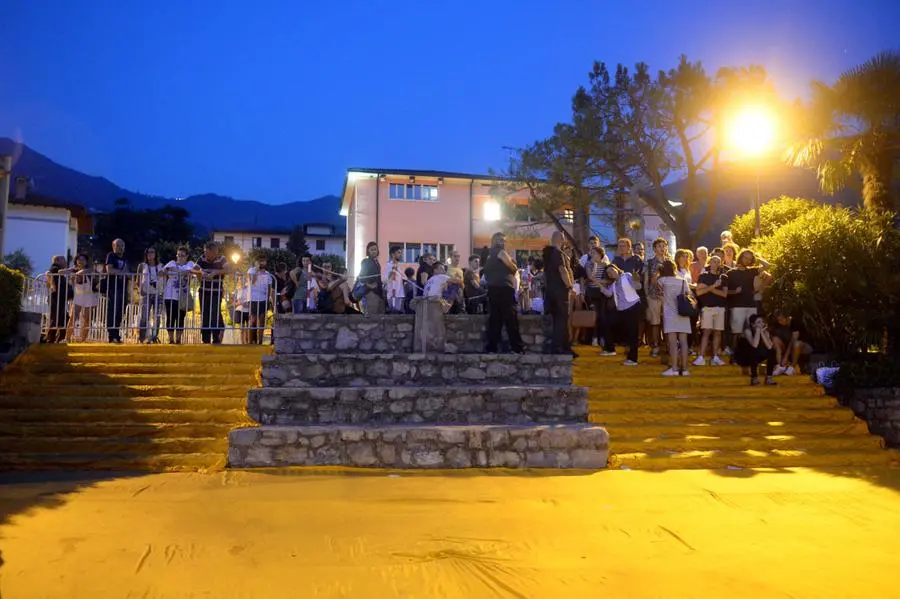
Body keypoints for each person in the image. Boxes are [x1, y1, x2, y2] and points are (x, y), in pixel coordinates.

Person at [484, 232, 525, 354]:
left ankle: (492, 348)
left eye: (503, 240)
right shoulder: (501, 253)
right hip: (504, 288)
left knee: (495, 320)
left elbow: (486, 273)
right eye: (500, 240)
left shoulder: (489, 256)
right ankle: (517, 348)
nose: (502, 242)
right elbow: (513, 268)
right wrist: (513, 265)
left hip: (493, 288)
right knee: (511, 319)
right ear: (495, 241)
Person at [726, 248, 765, 352]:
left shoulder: (752, 271)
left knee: (750, 331)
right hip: (736, 306)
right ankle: (734, 355)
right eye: (745, 257)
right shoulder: (730, 273)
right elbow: (725, 292)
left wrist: (757, 257)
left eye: (750, 259)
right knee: (736, 332)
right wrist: (735, 292)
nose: (747, 260)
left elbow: (767, 266)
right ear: (740, 257)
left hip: (751, 306)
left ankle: (748, 354)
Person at [602, 264, 642, 365]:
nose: (611, 273)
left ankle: (633, 359)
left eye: (612, 270)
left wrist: (636, 279)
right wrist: (600, 286)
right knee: (624, 331)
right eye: (608, 273)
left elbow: (638, 286)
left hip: (633, 306)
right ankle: (620, 351)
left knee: (633, 333)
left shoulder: (627, 276)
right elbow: (609, 294)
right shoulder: (614, 284)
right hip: (621, 309)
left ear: (617, 269)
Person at [542, 231, 574, 355]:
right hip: (560, 291)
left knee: (558, 319)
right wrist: (569, 285)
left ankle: (566, 346)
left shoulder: (547, 254)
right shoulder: (557, 253)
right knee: (561, 319)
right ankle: (558, 347)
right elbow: (563, 270)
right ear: (561, 239)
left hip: (550, 290)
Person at [658, 259, 691, 376]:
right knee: (683, 342)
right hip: (683, 312)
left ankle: (674, 368)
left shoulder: (662, 280)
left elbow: (657, 288)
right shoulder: (683, 281)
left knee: (672, 342)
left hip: (670, 313)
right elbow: (689, 294)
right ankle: (685, 368)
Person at [694, 255, 728, 366]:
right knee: (706, 332)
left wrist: (709, 288)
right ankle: (700, 357)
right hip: (707, 308)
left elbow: (724, 294)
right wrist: (714, 286)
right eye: (714, 261)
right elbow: (699, 292)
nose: (716, 263)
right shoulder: (704, 276)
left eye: (718, 262)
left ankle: (715, 358)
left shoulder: (723, 277)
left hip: (720, 308)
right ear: (710, 262)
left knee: (717, 333)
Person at [161, 246, 196, 344]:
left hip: (183, 296)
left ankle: (178, 340)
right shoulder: (171, 263)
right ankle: (171, 339)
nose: (180, 257)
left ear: (186, 256)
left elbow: (195, 271)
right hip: (170, 294)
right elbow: (162, 272)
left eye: (182, 256)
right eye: (178, 255)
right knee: (171, 317)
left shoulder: (190, 264)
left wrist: (182, 272)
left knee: (181, 318)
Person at [584, 246, 615, 356]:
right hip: (592, 292)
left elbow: (608, 281)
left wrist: (599, 281)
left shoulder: (606, 265)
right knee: (595, 316)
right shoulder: (588, 264)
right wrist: (595, 265)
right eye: (592, 253)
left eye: (595, 253)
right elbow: (590, 277)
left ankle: (603, 340)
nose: (593, 255)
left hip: (602, 293)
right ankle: (595, 337)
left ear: (600, 254)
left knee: (603, 316)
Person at [196, 241, 229, 344]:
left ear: (214, 252)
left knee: (214, 314)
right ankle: (205, 339)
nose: (206, 255)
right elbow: (193, 269)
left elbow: (229, 269)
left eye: (208, 253)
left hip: (216, 291)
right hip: (204, 291)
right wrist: (201, 273)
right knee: (205, 315)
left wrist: (215, 273)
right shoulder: (202, 258)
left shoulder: (222, 259)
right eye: (205, 252)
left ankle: (216, 339)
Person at [643, 237, 669, 358]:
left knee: (667, 322)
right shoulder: (649, 262)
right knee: (655, 322)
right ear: (654, 249)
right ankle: (656, 346)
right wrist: (647, 295)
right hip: (654, 296)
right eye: (659, 246)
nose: (662, 248)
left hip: (668, 297)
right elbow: (646, 281)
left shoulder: (670, 262)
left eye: (664, 246)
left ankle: (668, 346)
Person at [735, 314, 777, 386]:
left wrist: (762, 333)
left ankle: (769, 377)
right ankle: (754, 378)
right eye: (758, 322)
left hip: (756, 356)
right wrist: (758, 331)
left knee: (772, 351)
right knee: (753, 350)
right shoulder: (747, 331)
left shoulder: (765, 331)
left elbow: (770, 346)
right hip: (745, 356)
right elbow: (754, 345)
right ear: (753, 324)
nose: (761, 324)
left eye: (762, 322)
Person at [66, 254, 99, 343]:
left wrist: (78, 272)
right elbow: (61, 271)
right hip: (78, 296)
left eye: (83, 259)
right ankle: (67, 338)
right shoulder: (73, 270)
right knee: (73, 317)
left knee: (87, 318)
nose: (81, 261)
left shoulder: (90, 270)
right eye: (79, 259)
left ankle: (82, 339)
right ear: (76, 261)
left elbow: (93, 273)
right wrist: (69, 271)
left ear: (86, 261)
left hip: (89, 296)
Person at [770, 311, 813, 376]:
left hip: (803, 346)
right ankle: (781, 367)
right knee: (775, 339)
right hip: (787, 347)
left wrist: (786, 356)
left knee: (796, 344)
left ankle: (792, 367)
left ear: (787, 318)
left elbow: (793, 341)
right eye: (778, 320)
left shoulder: (795, 323)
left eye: (781, 320)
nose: (780, 322)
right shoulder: (778, 324)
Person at [104, 239, 130, 344]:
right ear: (113, 246)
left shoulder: (125, 259)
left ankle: (116, 334)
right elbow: (109, 270)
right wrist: (122, 272)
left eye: (122, 245)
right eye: (118, 245)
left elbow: (128, 274)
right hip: (113, 287)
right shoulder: (111, 256)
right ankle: (112, 335)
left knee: (120, 312)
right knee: (112, 311)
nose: (120, 247)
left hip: (123, 288)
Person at [138, 247, 163, 344]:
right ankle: (142, 337)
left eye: (152, 252)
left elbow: (166, 276)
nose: (150, 254)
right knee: (144, 316)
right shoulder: (142, 265)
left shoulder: (161, 266)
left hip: (158, 293)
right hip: (146, 293)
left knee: (157, 316)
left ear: (156, 254)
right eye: (148, 252)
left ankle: (153, 336)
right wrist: (140, 289)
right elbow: (138, 279)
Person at [246, 256, 274, 344]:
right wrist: (257, 271)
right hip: (253, 298)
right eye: (261, 261)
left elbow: (269, 287)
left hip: (263, 299)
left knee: (262, 319)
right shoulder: (251, 270)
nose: (263, 263)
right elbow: (252, 282)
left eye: (264, 262)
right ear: (257, 262)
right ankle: (251, 341)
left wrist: (269, 298)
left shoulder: (268, 274)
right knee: (253, 320)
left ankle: (260, 341)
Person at [46, 255, 70, 343]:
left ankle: (58, 338)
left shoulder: (56, 269)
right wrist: (70, 270)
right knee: (56, 318)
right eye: (64, 260)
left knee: (64, 318)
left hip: (59, 298)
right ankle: (51, 339)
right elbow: (52, 272)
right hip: (56, 298)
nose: (66, 262)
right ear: (57, 261)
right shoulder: (55, 267)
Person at [358, 241, 385, 315]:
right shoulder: (366, 261)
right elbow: (362, 278)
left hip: (379, 294)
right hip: (370, 294)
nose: (374, 251)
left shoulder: (377, 263)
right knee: (371, 317)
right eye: (371, 249)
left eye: (375, 249)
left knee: (379, 317)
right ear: (368, 251)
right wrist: (370, 286)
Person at [383, 246, 406, 313]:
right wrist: (391, 272)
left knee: (399, 315)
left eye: (401, 253)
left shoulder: (398, 266)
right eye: (398, 253)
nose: (401, 255)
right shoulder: (389, 265)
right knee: (394, 315)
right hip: (393, 295)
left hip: (400, 294)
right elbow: (385, 280)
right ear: (393, 254)